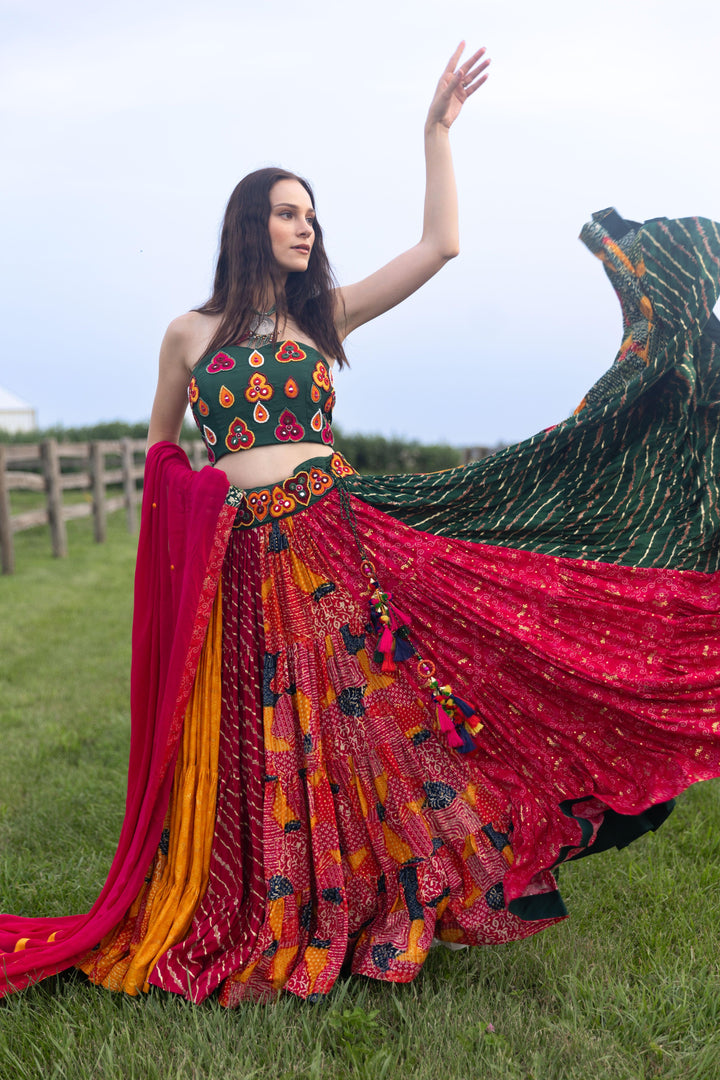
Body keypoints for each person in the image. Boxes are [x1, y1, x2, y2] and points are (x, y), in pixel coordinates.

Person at [2, 44, 720, 1006]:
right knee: (265, 736)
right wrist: (187, 529)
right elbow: (163, 457)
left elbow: (439, 250)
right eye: (291, 212)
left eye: (313, 215)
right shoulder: (187, 333)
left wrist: (435, 135)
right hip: (243, 556)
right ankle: (268, 903)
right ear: (250, 224)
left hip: (333, 539)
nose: (307, 227)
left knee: (371, 721)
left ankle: (391, 890)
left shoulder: (322, 320)